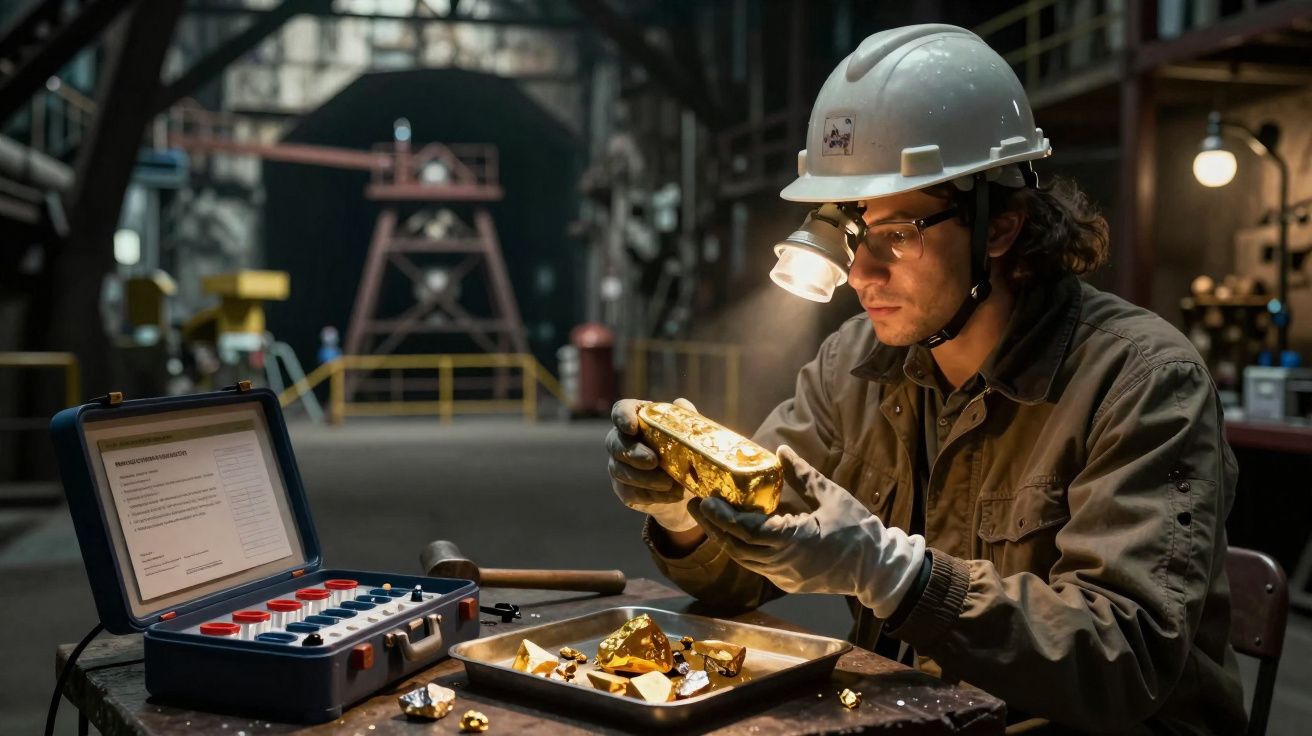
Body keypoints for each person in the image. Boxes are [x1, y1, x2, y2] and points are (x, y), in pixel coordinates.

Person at [605, 24, 1246, 733]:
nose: (860, 274)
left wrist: (895, 575)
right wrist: (683, 515)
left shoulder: (1142, 382)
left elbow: (1124, 659)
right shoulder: (852, 366)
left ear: (998, 226)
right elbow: (739, 576)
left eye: (896, 235)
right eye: (850, 232)